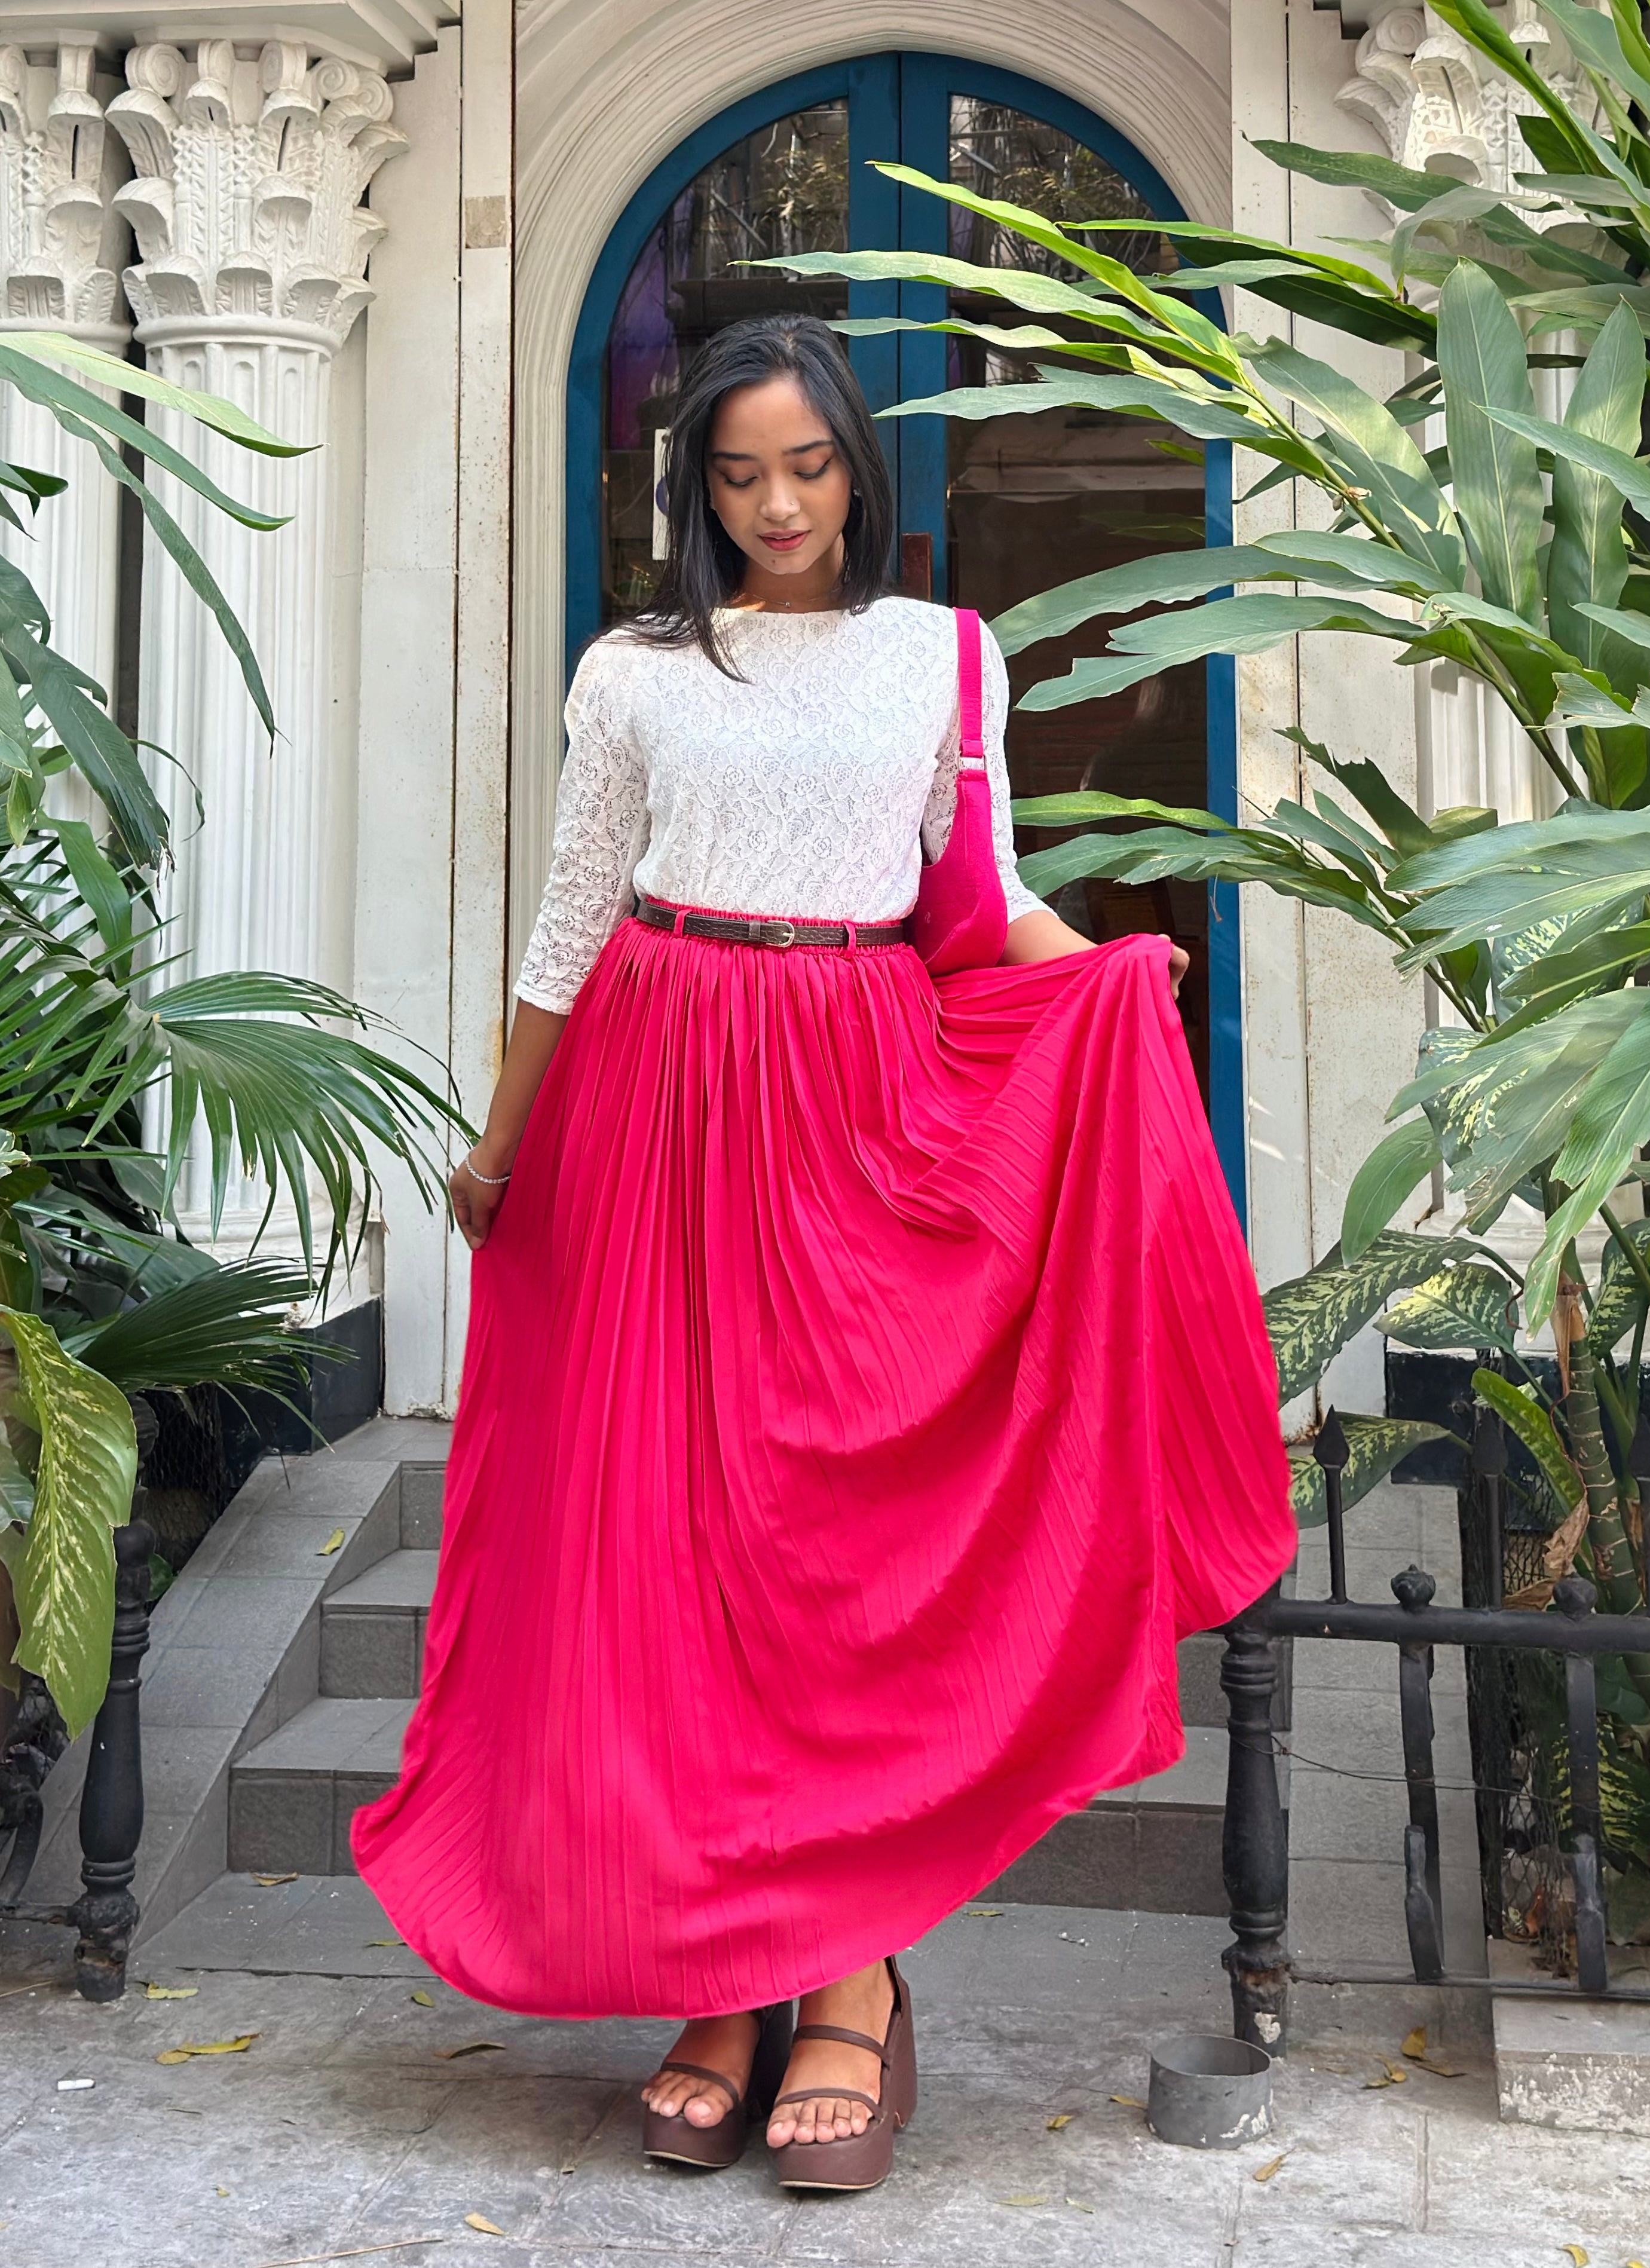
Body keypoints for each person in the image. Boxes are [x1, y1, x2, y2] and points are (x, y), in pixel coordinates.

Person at [351, 314, 1293, 2194]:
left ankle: (851, 1970)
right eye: (736, 475)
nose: (775, 505)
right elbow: (572, 917)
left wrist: (1110, 976)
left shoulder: (945, 652)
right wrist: (502, 1139)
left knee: (825, 1545)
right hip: (651, 1096)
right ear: (694, 490)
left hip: (855, 1093)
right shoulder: (634, 669)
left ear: (856, 465)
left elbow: (981, 898)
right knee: (677, 1542)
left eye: (805, 466)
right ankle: (723, 1977)